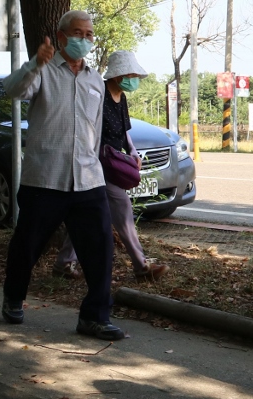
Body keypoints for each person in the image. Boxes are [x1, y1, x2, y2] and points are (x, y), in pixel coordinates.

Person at [0, 11, 125, 341]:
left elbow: (95, 131)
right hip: (45, 179)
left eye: (89, 34)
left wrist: (98, 164)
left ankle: (95, 317)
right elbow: (12, 90)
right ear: (61, 36)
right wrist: (34, 64)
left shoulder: (96, 80)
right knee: (27, 246)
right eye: (77, 33)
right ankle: (13, 296)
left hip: (87, 180)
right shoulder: (43, 72)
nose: (84, 39)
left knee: (99, 251)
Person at [53, 51, 168, 283]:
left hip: (113, 164)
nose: (134, 79)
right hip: (95, 165)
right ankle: (141, 266)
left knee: (87, 216)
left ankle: (63, 263)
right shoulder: (97, 93)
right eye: (131, 74)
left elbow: (125, 132)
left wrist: (133, 151)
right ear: (118, 75)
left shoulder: (121, 98)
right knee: (123, 209)